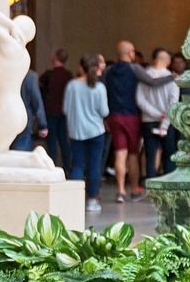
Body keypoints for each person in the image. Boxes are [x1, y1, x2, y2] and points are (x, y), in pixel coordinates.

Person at [103, 40, 175, 203]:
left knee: (119, 154)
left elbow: (104, 90)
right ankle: (135, 190)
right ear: (130, 53)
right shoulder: (135, 69)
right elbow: (152, 82)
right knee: (133, 154)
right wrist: (171, 77)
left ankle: (120, 191)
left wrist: (106, 116)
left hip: (114, 115)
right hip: (132, 116)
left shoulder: (108, 70)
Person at [63, 54, 109, 213]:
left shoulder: (72, 85)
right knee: (95, 165)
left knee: (77, 165)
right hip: (96, 131)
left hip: (76, 131)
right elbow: (104, 111)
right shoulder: (99, 87)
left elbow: (65, 109)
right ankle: (91, 200)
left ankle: (74, 199)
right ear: (96, 67)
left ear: (81, 67)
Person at [136, 47, 180, 180]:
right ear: (168, 62)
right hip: (167, 122)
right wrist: (165, 123)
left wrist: (155, 114)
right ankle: (168, 183)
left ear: (154, 60)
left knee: (150, 154)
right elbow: (173, 104)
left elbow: (140, 100)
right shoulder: (172, 79)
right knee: (168, 155)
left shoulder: (144, 76)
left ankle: (150, 182)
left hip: (148, 120)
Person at [39, 49, 73, 173]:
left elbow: (41, 91)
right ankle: (66, 168)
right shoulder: (68, 75)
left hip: (50, 111)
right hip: (64, 112)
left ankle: (52, 167)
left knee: (52, 140)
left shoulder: (48, 75)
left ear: (55, 57)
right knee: (64, 140)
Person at [11, 69, 48, 151]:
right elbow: (37, 101)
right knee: (22, 155)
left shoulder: (6, 74)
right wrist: (43, 125)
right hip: (24, 121)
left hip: (6, 120)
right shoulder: (29, 77)